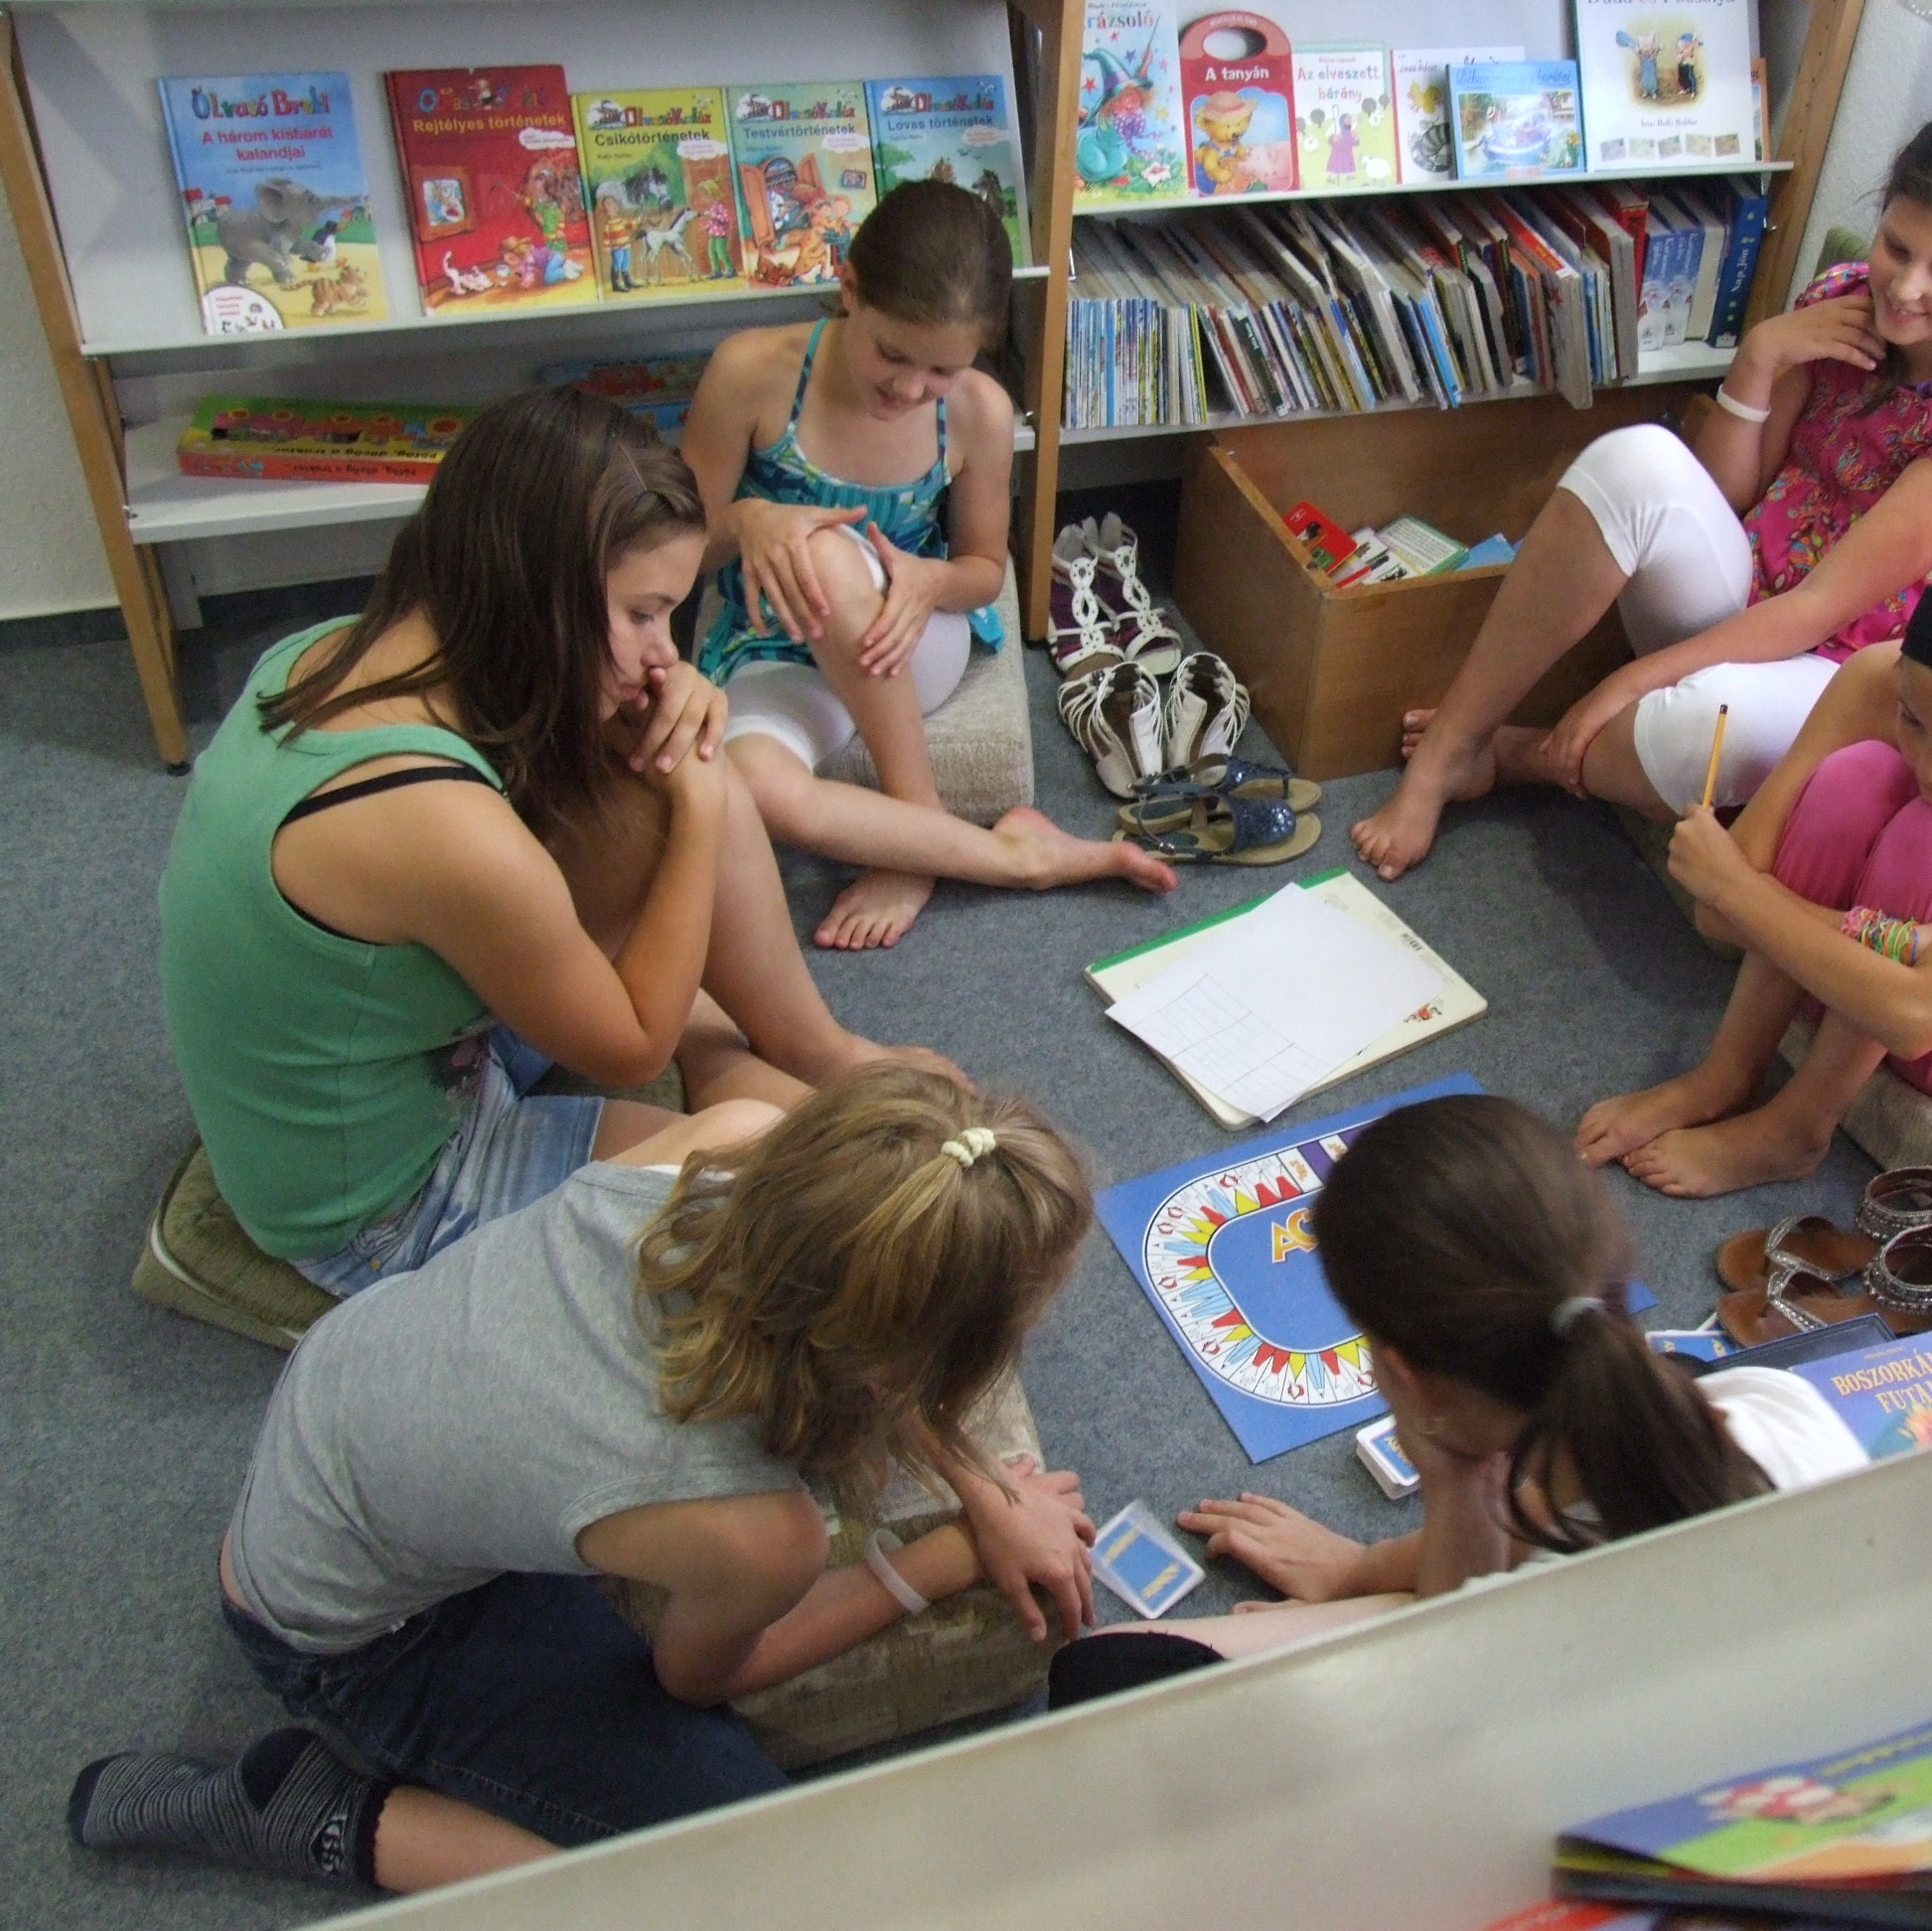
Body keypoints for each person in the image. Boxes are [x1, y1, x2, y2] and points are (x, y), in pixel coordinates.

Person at [70, 1067, 1098, 1895]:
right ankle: (311, 1814)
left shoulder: (729, 1137)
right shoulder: (755, 1535)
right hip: (348, 1638)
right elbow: (703, 1677)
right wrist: (945, 1554)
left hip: (336, 1415)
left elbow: (855, 1323)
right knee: (752, 1876)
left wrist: (987, 1489)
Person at [159, 386, 945, 1299]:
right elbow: (632, 1051)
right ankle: (719, 1047)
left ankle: (809, 1047)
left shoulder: (338, 648)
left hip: (404, 1046)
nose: (665, 655)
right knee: (810, 1192)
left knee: (671, 756)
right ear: (540, 593)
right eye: (643, 613)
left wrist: (686, 754)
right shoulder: (444, 828)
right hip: (381, 1210)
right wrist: (698, 806)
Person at [1352, 105, 1932, 880]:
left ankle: (1522, 756)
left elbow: (1821, 609)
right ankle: (1451, 747)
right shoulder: (1846, 302)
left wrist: (1629, 679)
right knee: (1635, 460)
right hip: (1753, 595)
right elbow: (1727, 492)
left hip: (1852, 674)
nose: (1905, 287)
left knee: (1706, 722)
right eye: (1896, 247)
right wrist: (1760, 357)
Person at [1044, 1095, 1869, 1704]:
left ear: (1407, 1377)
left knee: (1103, 1672)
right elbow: (1553, 1515)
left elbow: (1440, 1682)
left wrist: (1450, 1480)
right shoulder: (1771, 1402)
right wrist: (1360, 1569)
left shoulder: (1523, 1640)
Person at [1576, 541, 1932, 1202]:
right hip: (1874, 974)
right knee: (1856, 776)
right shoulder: (1879, 675)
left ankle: (1798, 1127)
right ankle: (1725, 1075)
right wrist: (1908, 940)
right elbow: (1718, 919)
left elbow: (1917, 1016)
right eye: (1912, 719)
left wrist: (1739, 889)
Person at [684, 179, 1173, 950]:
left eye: (941, 371)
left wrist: (929, 580)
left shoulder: (977, 409)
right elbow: (676, 546)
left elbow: (984, 569)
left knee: (827, 559)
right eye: (891, 354)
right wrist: (746, 522)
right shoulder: (749, 371)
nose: (910, 388)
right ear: (850, 288)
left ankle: (913, 833)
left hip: (908, 638)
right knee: (745, 785)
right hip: (777, 647)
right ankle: (1019, 857)